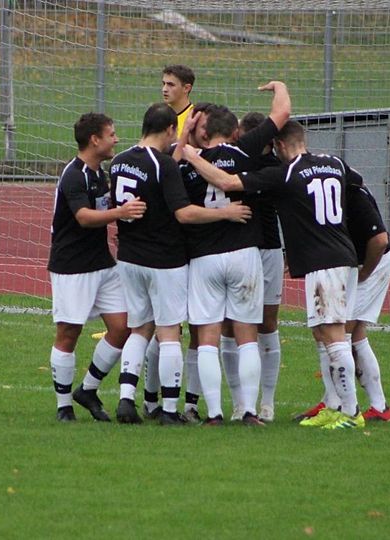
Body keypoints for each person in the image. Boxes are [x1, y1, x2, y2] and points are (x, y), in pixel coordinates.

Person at [182, 120, 365, 430]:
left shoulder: (286, 173)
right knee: (323, 333)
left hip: (323, 260)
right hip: (341, 253)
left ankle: (351, 412)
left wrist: (190, 154)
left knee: (334, 336)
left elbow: (226, 182)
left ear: (279, 145)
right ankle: (335, 406)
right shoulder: (334, 163)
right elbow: (358, 185)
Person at [110, 102, 252, 425]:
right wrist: (225, 213)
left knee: (140, 329)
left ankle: (126, 400)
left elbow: (157, 176)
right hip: (163, 259)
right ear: (169, 130)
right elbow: (184, 213)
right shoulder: (164, 164)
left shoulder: (119, 162)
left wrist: (183, 137)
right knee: (170, 332)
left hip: (129, 257)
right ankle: (171, 410)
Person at [173, 83, 290, 426]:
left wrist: (185, 141)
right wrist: (279, 86)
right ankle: (250, 411)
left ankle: (214, 413)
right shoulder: (246, 154)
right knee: (247, 337)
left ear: (203, 131)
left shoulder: (186, 165)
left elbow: (175, 194)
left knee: (208, 339)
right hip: (244, 254)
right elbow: (282, 112)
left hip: (204, 257)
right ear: (234, 131)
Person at [47, 112, 147, 422]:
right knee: (69, 332)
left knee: (124, 327)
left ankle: (88, 389)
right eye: (111, 134)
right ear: (94, 140)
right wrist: (121, 213)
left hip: (103, 264)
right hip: (72, 267)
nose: (116, 139)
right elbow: (84, 217)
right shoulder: (74, 175)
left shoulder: (99, 173)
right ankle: (64, 406)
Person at [295, 180, 390, 424]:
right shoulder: (329, 186)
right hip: (350, 264)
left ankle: (339, 404)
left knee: (340, 332)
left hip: (372, 263)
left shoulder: (353, 192)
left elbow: (380, 240)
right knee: (342, 332)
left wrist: (365, 272)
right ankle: (375, 406)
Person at [220, 111, 284, 422]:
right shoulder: (233, 160)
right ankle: (239, 403)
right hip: (236, 249)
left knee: (266, 324)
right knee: (229, 325)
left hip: (268, 250)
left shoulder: (276, 168)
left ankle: (267, 403)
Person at [161, 64, 195, 137]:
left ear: (186, 88)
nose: (164, 89)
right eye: (164, 84)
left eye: (171, 85)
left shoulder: (194, 119)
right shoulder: (159, 116)